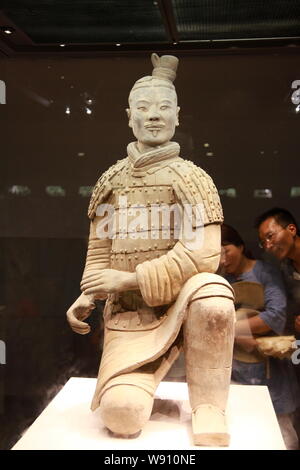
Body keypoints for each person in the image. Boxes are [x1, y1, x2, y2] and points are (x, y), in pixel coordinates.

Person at [66, 53, 236, 446]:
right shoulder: (111, 180)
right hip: (131, 316)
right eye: (144, 108)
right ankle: (133, 386)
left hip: (182, 299)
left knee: (213, 295)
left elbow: (203, 255)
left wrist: (128, 278)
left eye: (163, 108)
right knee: (122, 416)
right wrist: (89, 294)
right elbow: (101, 250)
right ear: (129, 116)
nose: (154, 116)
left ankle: (209, 405)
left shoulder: (193, 178)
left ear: (178, 115)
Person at [220, 223, 300, 449]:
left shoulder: (265, 272)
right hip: (235, 373)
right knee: (245, 435)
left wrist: (228, 330)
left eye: (227, 250)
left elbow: (275, 317)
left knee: (282, 437)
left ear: (240, 246)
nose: (224, 260)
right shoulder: (221, 282)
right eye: (217, 254)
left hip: (271, 374)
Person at [255, 207, 300, 335]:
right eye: (263, 242)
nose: (268, 246)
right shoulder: (286, 269)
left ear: (291, 229)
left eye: (270, 236)